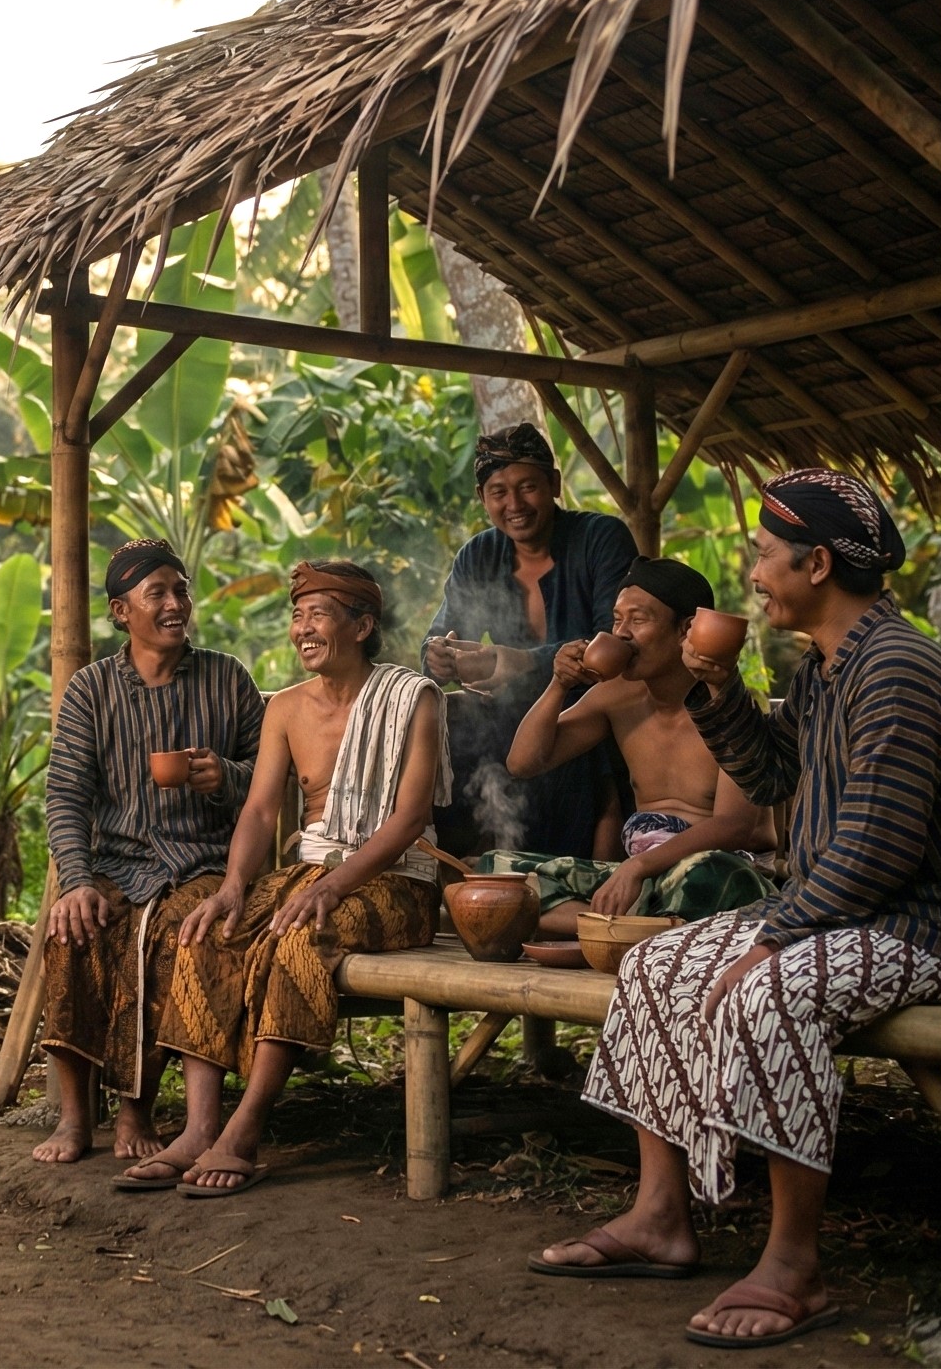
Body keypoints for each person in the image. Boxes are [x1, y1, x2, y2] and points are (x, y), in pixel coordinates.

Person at [533, 469, 941, 1354]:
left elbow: (880, 849)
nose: (751, 573)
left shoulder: (896, 670)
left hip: (927, 922)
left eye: (766, 554)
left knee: (770, 988)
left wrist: (774, 936)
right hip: (852, 912)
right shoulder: (827, 667)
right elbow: (777, 775)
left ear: (817, 565)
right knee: (656, 965)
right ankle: (660, 1217)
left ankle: (793, 1265)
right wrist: (719, 692)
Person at [118, 560, 445, 1197]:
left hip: (398, 880)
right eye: (298, 616)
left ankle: (244, 1130)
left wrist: (334, 885)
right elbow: (260, 810)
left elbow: (410, 820)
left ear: (362, 626)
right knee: (208, 931)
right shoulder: (287, 708)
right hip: (311, 870)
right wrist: (233, 886)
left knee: (302, 940)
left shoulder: (414, 699)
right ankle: (199, 1128)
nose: (303, 629)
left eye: (318, 614)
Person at [33, 538, 265, 1166]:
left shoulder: (228, 678)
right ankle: (75, 1117)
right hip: (116, 863)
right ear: (121, 611)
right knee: (73, 931)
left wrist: (226, 778)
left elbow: (269, 779)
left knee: (173, 934)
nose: (174, 605)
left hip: (202, 863)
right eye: (156, 593)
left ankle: (137, 1111)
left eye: (180, 590)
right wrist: (77, 881)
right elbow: (66, 795)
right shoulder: (91, 690)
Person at [487, 557, 775, 937]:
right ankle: (630, 929)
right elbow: (522, 762)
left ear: (686, 630)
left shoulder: (728, 706)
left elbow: (734, 826)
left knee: (714, 874)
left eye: (637, 620)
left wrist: (637, 867)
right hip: (640, 882)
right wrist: (559, 684)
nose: (621, 634)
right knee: (496, 870)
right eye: (616, 620)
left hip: (713, 872)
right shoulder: (616, 696)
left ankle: (612, 929)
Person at [423, 423, 639, 859]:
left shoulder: (600, 537)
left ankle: (589, 872)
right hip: (512, 718)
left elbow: (617, 644)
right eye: (499, 492)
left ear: (554, 484)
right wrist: (439, 657)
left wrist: (521, 662)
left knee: (584, 741)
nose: (515, 505)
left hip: (594, 708)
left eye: (528, 487)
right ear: (482, 498)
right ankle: (461, 864)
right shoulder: (477, 555)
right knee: (448, 723)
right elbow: (440, 638)